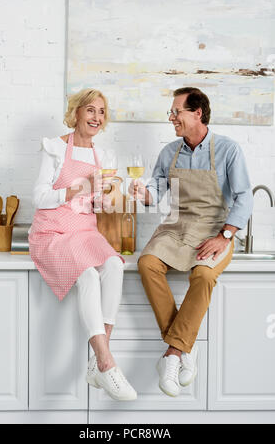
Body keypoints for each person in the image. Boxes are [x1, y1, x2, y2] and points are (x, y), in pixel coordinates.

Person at [129, 87, 253, 397]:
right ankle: (185, 347)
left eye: (176, 112)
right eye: (171, 113)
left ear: (197, 113)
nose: (172, 118)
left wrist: (225, 236)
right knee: (147, 263)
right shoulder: (169, 151)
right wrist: (144, 196)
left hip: (214, 228)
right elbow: (156, 192)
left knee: (204, 274)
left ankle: (172, 354)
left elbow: (244, 197)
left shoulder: (228, 149)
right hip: (176, 225)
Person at [29, 88, 137, 401]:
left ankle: (95, 362)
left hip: (85, 232)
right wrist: (80, 187)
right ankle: (106, 362)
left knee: (115, 264)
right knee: (88, 274)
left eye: (101, 112)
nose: (96, 118)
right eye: (90, 110)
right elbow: (39, 197)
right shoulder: (53, 148)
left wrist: (107, 197)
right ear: (76, 112)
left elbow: (98, 206)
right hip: (53, 233)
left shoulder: (103, 157)